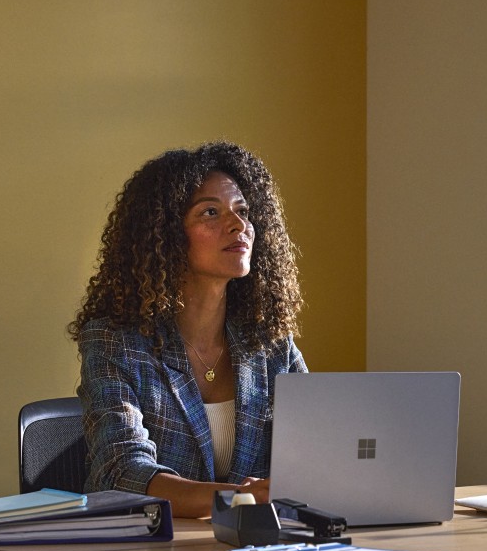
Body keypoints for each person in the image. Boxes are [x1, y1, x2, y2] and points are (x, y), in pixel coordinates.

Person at [68, 141, 307, 518]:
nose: (238, 225)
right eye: (210, 212)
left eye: (243, 212)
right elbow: (122, 473)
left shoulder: (269, 342)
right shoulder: (117, 341)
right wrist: (241, 499)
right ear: (164, 235)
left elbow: (312, 456)